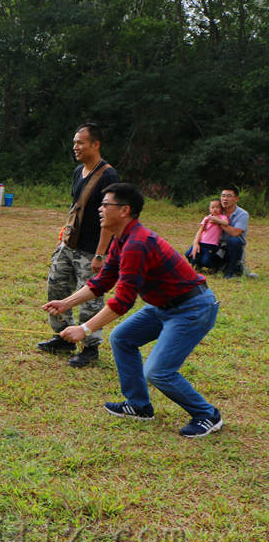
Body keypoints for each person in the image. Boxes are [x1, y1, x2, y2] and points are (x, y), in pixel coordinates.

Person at [42, 183, 223, 438]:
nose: (100, 209)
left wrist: (84, 329)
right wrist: (66, 303)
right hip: (163, 306)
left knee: (158, 371)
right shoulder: (122, 239)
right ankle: (138, 405)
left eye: (106, 204)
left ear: (125, 210)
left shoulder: (137, 244)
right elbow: (103, 282)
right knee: (122, 338)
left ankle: (207, 414)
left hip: (192, 309)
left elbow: (122, 301)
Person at [38, 123, 119, 368]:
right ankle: (63, 337)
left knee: (91, 299)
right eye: (74, 142)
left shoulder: (108, 175)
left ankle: (90, 347)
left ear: (96, 144)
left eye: (81, 142)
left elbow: (109, 217)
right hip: (69, 245)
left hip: (92, 249)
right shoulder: (78, 171)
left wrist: (100, 254)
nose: (76, 147)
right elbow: (77, 207)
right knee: (57, 288)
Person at [217, 186, 249, 278]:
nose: (225, 199)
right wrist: (196, 243)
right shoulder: (217, 210)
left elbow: (235, 233)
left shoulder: (243, 214)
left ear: (236, 199)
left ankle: (232, 271)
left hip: (234, 247)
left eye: (229, 196)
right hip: (218, 246)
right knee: (191, 254)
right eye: (223, 196)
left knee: (234, 240)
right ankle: (219, 266)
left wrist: (220, 222)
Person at [185, 199, 225, 270]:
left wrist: (217, 221)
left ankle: (215, 267)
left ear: (221, 209)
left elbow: (226, 223)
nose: (215, 209)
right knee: (189, 254)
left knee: (205, 261)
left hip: (211, 245)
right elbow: (201, 230)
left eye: (217, 207)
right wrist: (196, 242)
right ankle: (196, 265)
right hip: (201, 242)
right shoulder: (206, 218)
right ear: (209, 209)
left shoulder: (222, 217)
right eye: (212, 207)